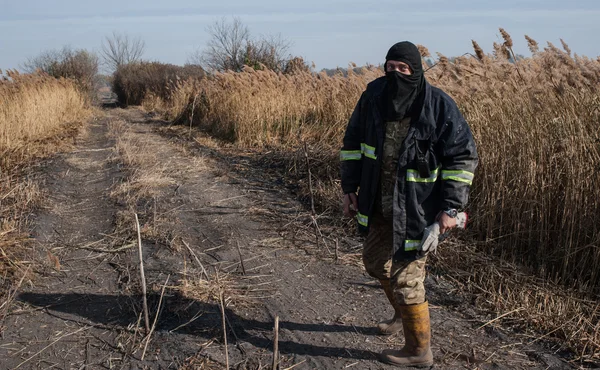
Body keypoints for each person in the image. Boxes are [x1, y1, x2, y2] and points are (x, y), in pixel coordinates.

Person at [340, 41, 478, 367]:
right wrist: (349, 188)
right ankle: (403, 314)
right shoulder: (373, 97)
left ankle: (419, 351)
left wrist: (451, 208)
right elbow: (352, 143)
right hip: (377, 204)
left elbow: (462, 157)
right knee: (375, 264)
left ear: (415, 71)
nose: (395, 74)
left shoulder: (438, 106)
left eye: (402, 69)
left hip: (418, 212)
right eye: (390, 67)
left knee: (407, 279)